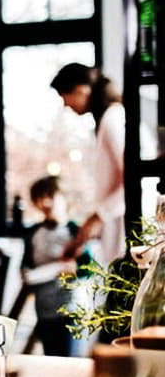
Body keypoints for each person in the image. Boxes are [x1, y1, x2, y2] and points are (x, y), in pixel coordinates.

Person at [50, 63, 125, 262]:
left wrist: (98, 217)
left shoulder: (112, 119)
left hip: (125, 226)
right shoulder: (108, 119)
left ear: (81, 89)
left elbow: (131, 179)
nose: (66, 105)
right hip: (116, 224)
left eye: (64, 96)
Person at [21, 175, 96, 356]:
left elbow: (88, 269)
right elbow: (26, 271)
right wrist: (57, 268)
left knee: (73, 361)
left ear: (63, 198)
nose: (46, 203)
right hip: (45, 312)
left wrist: (74, 269)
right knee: (51, 359)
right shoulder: (33, 233)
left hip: (72, 310)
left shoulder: (76, 231)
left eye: (51, 196)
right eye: (39, 198)